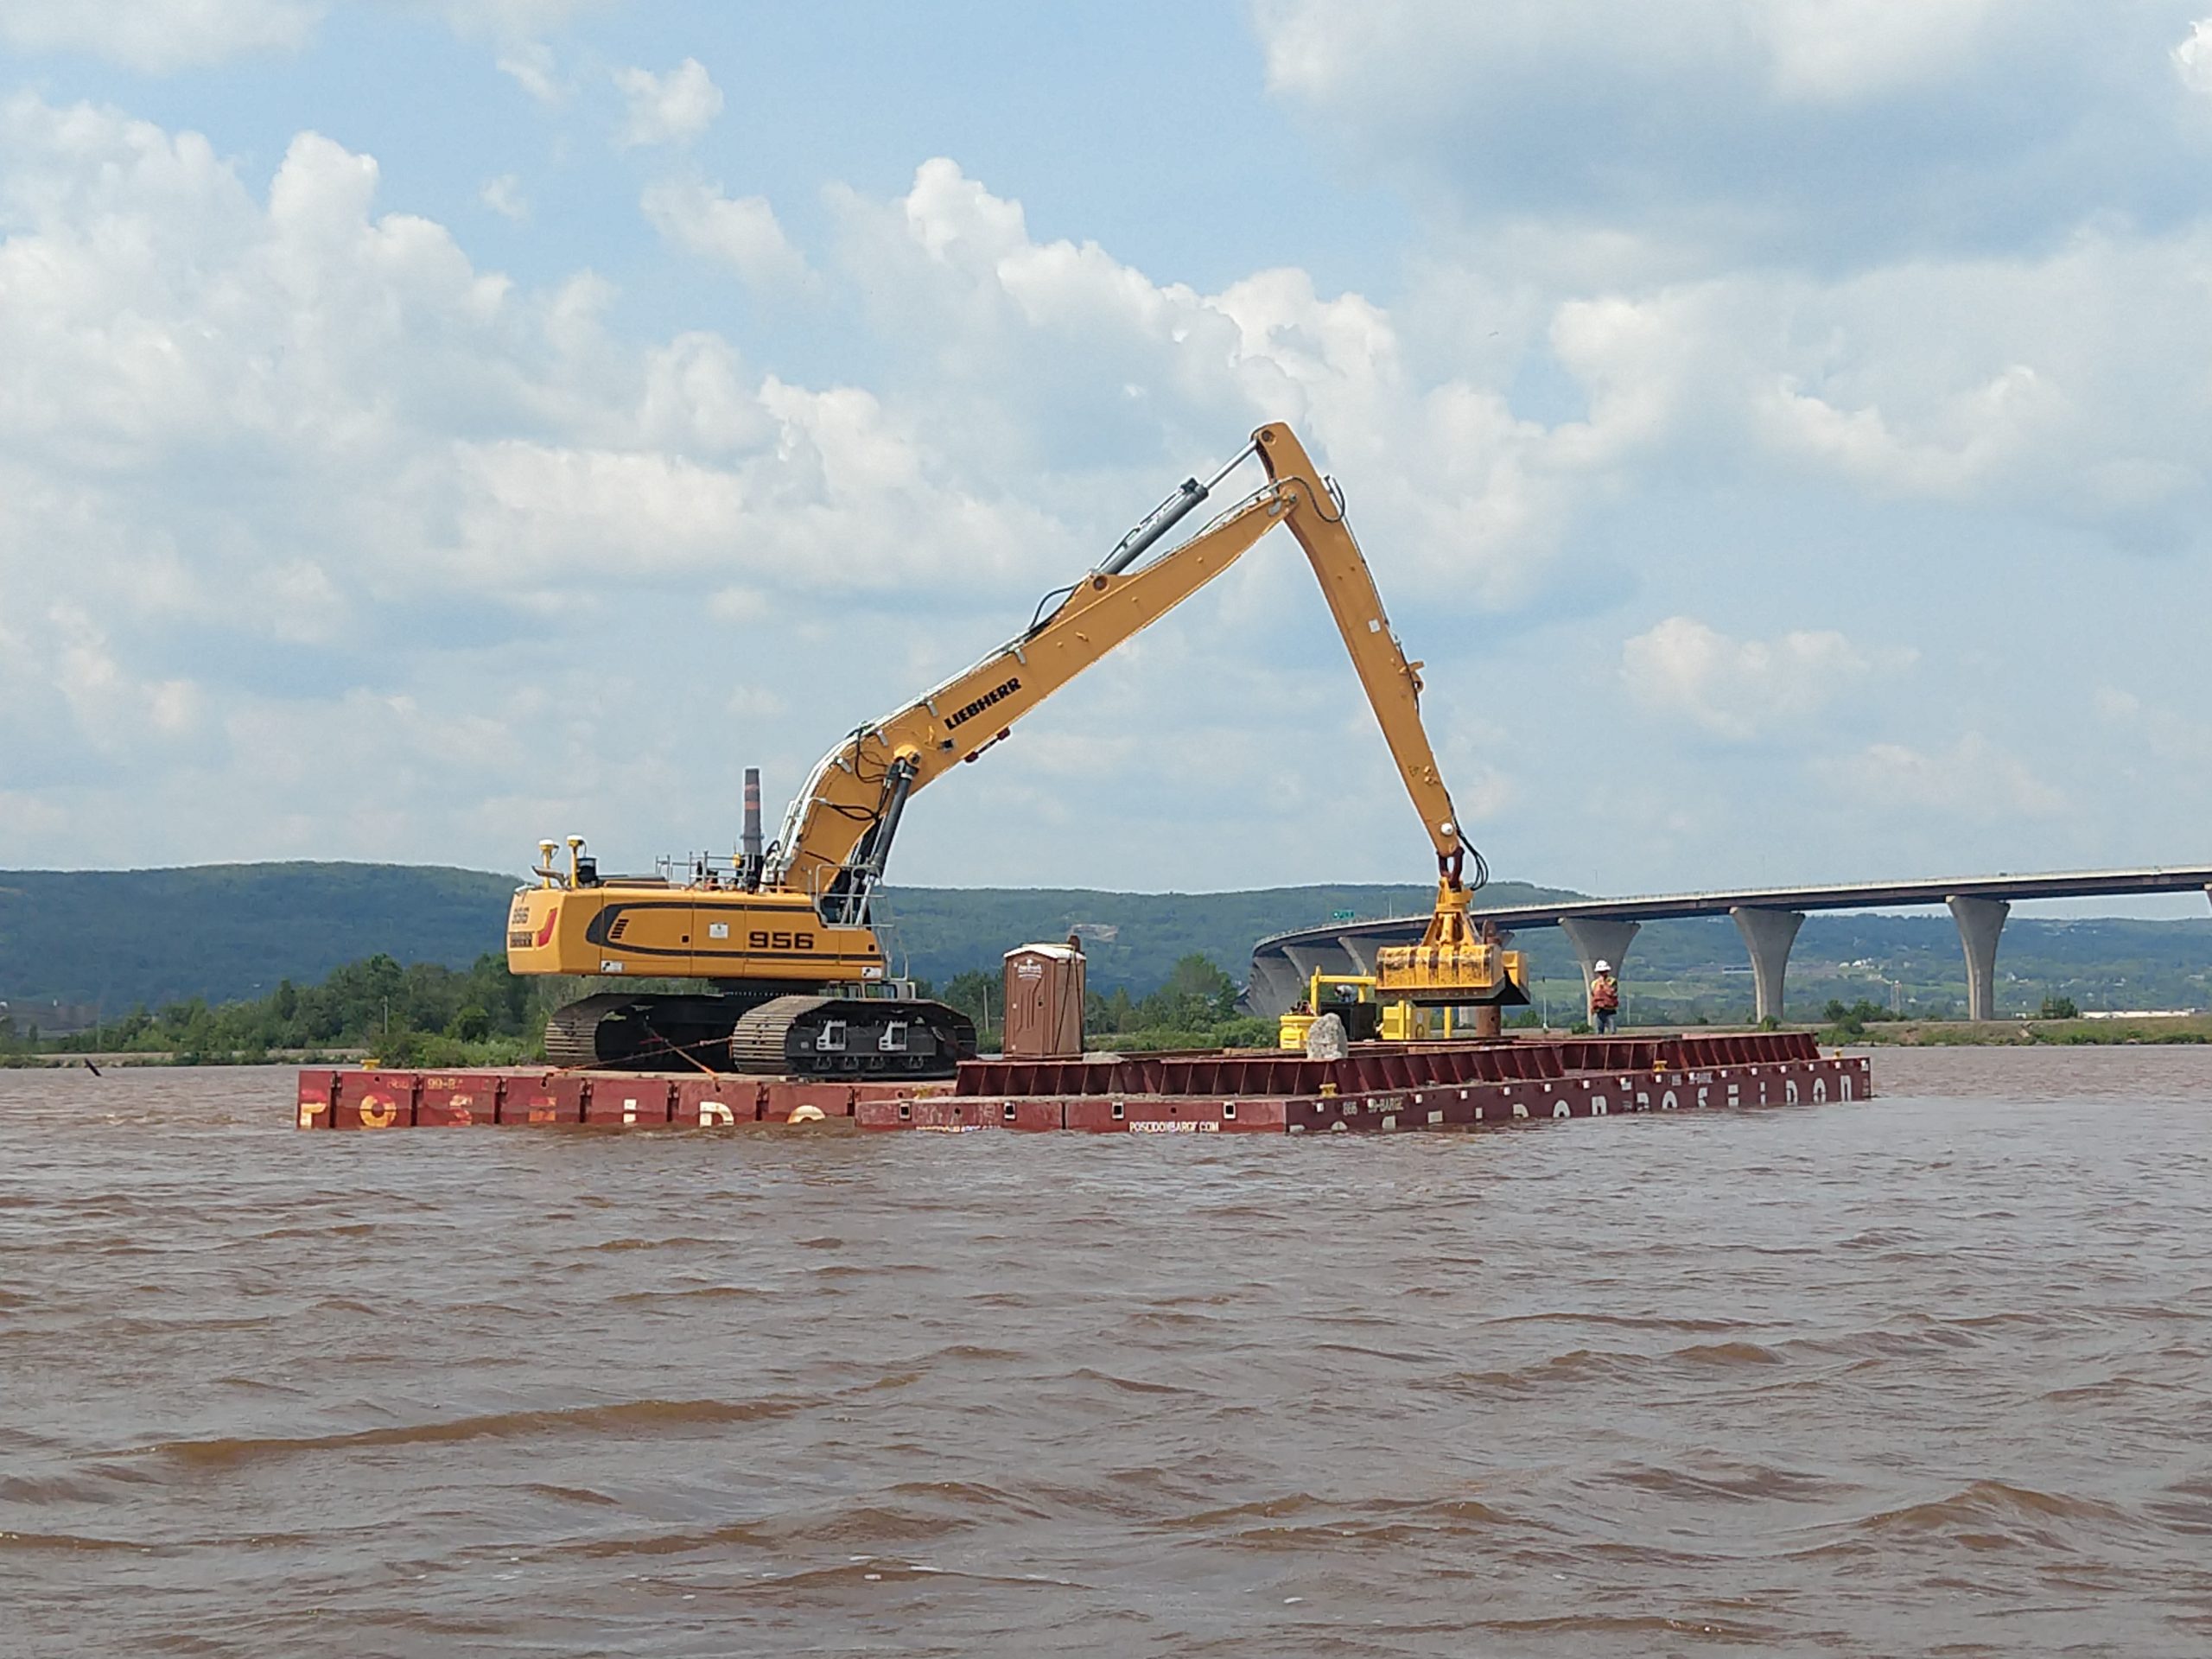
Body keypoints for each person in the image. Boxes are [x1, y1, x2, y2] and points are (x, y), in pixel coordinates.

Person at [1589, 960, 1621, 1034]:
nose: (1602, 974)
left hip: (1610, 1011)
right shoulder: (1594, 983)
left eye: (1604, 971)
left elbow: (1611, 992)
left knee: (1612, 1031)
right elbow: (1594, 996)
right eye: (1601, 972)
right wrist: (1592, 1008)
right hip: (1599, 1011)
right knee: (1599, 1032)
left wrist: (1603, 984)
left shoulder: (1612, 981)